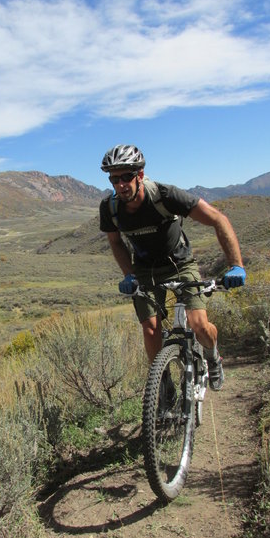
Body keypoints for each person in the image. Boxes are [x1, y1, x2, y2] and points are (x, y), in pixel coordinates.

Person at [99, 144, 246, 391]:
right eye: (115, 178)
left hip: (180, 264)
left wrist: (236, 266)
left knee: (199, 325)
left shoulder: (165, 196)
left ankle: (212, 356)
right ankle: (162, 383)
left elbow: (219, 219)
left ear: (140, 175)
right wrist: (129, 274)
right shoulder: (110, 208)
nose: (121, 184)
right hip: (145, 269)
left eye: (127, 176)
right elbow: (115, 241)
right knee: (150, 328)